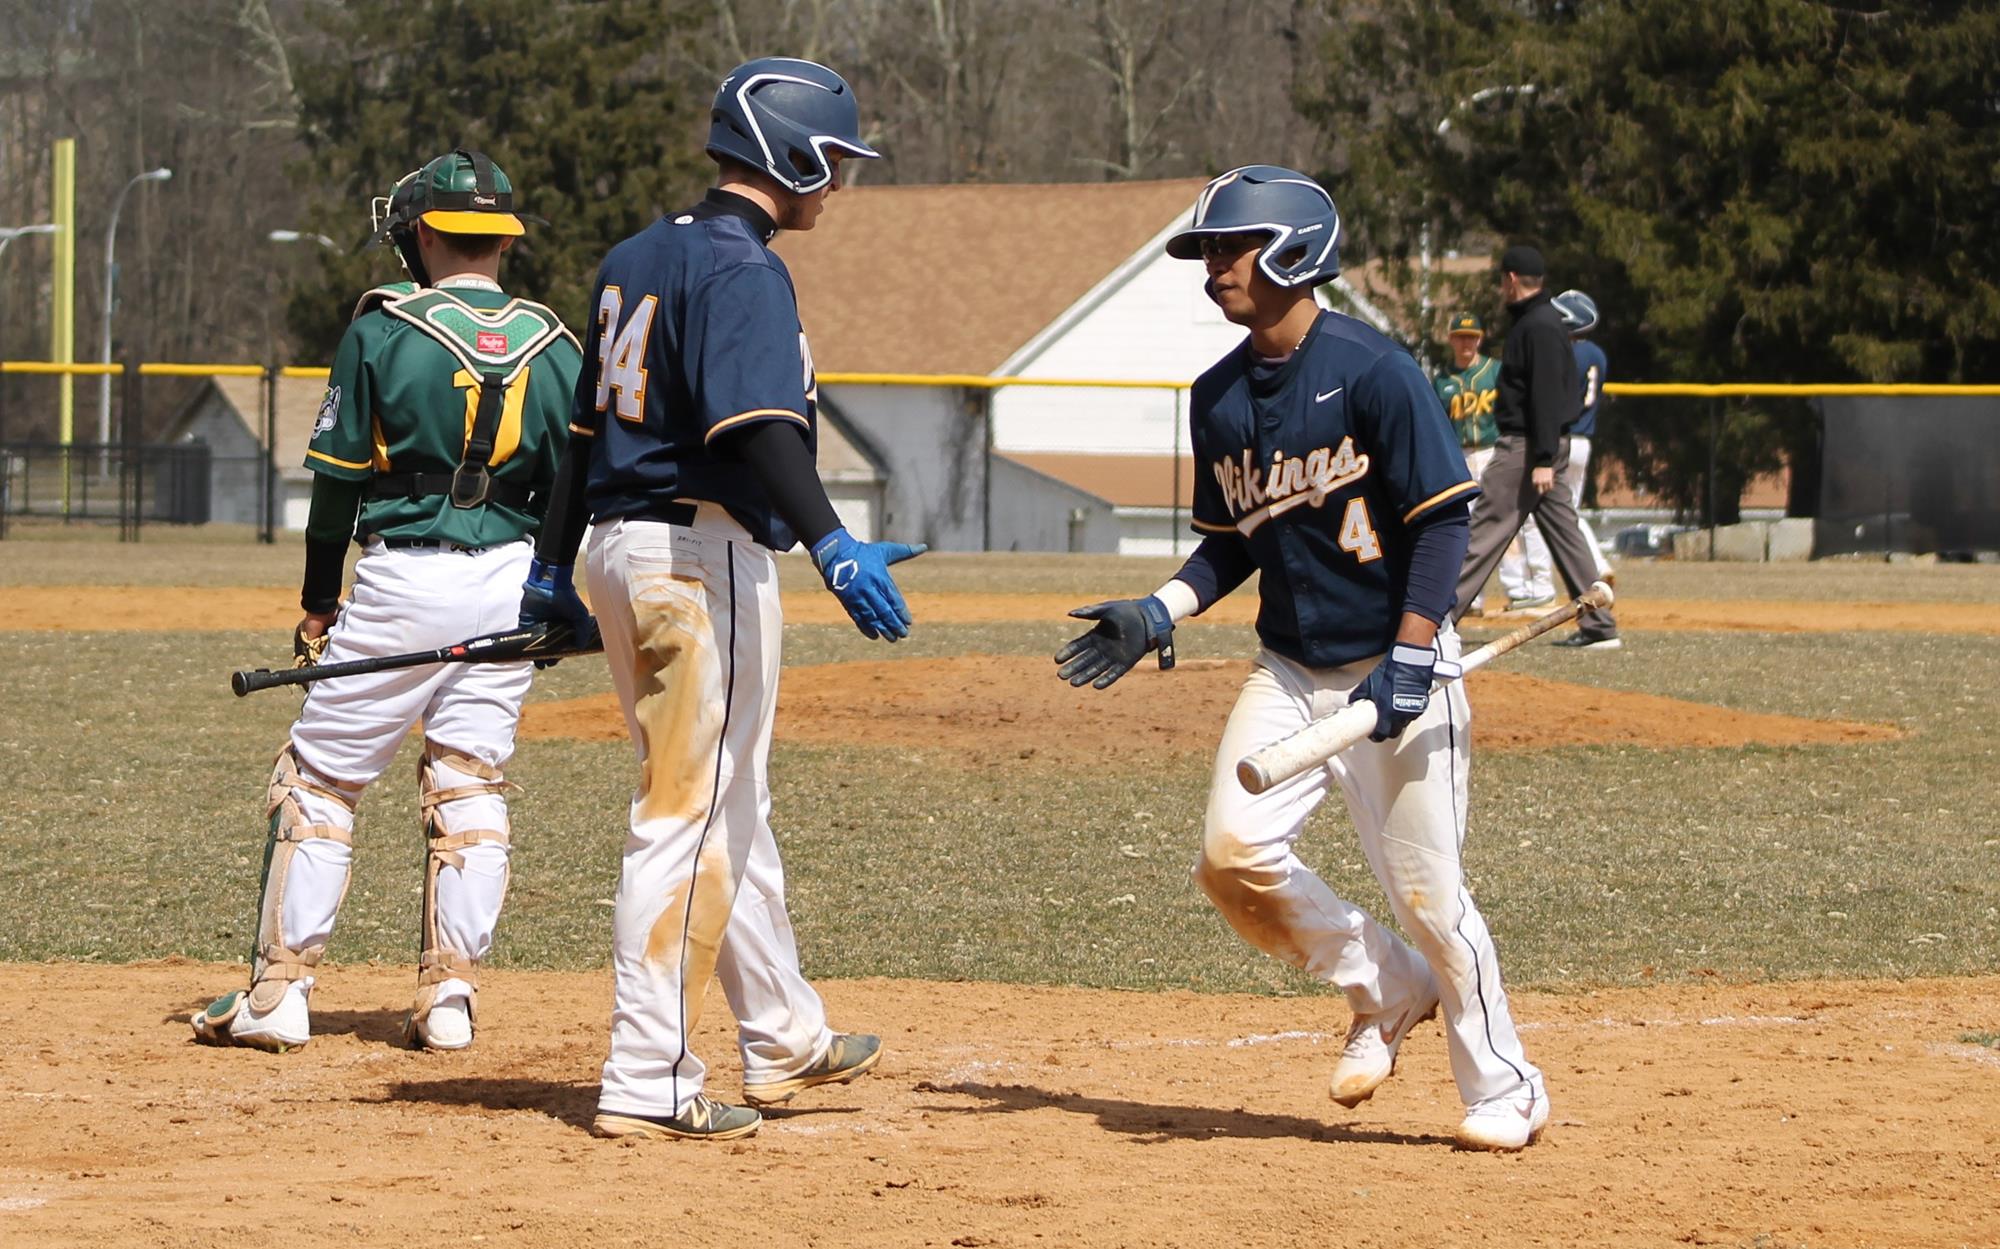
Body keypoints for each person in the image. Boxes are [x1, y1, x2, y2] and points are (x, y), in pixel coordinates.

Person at [1054, 166, 1550, 1151]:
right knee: (1230, 857)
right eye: (1208, 251)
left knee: (1425, 887)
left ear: (1292, 250)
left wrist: (1413, 652)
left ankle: (1505, 1086)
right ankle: (1382, 983)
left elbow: (1443, 522)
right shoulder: (1219, 397)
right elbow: (1233, 539)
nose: (1213, 269)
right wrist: (1160, 609)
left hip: (1394, 662)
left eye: (1230, 248)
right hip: (1288, 668)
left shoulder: (1373, 371)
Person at [521, 56, 916, 1143]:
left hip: (621, 544)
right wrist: (832, 543)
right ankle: (647, 1078)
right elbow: (756, 429)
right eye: (831, 160)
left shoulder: (634, 254)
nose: (836, 182)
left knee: (727, 802)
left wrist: (554, 570)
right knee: (685, 818)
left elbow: (586, 435)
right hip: (696, 561)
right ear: (785, 151)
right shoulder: (743, 267)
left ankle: (783, 1033)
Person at [193, 150, 583, 1053]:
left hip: (407, 574)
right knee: (468, 780)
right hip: (510, 580)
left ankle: (281, 991)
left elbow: (334, 487)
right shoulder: (556, 341)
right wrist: (555, 593)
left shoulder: (383, 326)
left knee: (321, 779)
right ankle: (449, 998)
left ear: (421, 234)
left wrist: (319, 598)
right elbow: (578, 493)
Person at [1452, 245, 1620, 649]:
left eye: (1501, 280)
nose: (1500, 287)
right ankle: (1600, 626)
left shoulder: (1538, 326)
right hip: (1544, 445)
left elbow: (1545, 395)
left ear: (1511, 280)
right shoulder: (1543, 321)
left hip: (1528, 448)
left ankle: (1436, 618)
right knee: (1566, 533)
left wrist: (1542, 458)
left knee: (1485, 530)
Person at [1504, 289, 1615, 605]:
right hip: (1585, 441)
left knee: (1544, 516)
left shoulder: (1564, 351)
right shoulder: (1597, 353)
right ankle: (1598, 567)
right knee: (1570, 514)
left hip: (1560, 441)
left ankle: (1542, 586)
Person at [1431, 311, 1501, 611]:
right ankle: (1472, 596)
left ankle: (1522, 589)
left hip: (1492, 452)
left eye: (1471, 337)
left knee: (1500, 521)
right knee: (1465, 525)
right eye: (1461, 337)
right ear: (1451, 339)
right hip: (1459, 455)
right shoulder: (1443, 380)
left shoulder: (1494, 371)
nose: (1466, 343)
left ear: (1480, 338)